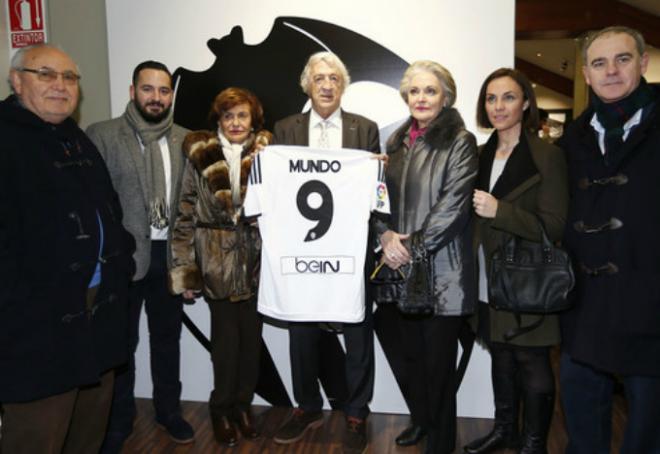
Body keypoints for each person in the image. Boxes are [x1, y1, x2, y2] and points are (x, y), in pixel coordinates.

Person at [0, 44, 135, 454]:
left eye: (70, 77)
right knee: (39, 434)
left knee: (87, 431)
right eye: (46, 74)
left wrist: (122, 258)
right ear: (16, 80)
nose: (60, 86)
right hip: (34, 326)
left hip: (97, 315)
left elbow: (108, 210)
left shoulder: (76, 139)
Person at [271, 51, 380, 454]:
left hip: (350, 249)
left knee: (357, 330)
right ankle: (307, 406)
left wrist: (377, 171)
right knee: (301, 330)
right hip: (301, 248)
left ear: (343, 85)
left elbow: (373, 192)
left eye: (334, 78)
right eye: (319, 78)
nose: (327, 85)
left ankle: (356, 412)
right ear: (307, 84)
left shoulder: (364, 129)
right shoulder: (284, 129)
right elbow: (279, 191)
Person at [559, 26, 660, 454]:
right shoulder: (572, 139)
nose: (611, 71)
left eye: (622, 59)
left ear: (643, 63)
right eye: (599, 63)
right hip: (586, 304)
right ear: (586, 74)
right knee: (582, 420)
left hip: (652, 302)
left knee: (648, 429)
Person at [86, 61, 193, 451]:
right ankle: (120, 417)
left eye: (164, 91)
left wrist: (188, 264)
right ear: (133, 92)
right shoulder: (102, 135)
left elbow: (191, 205)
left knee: (168, 341)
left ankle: (169, 412)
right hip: (123, 259)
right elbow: (94, 203)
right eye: (148, 89)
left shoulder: (185, 139)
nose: (156, 98)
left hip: (169, 257)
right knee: (121, 345)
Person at [374, 60, 478, 454]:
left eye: (430, 91)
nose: (421, 98)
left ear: (446, 96)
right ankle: (422, 419)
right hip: (399, 268)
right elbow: (379, 200)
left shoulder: (461, 141)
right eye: (414, 91)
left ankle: (441, 442)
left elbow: (453, 209)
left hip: (443, 273)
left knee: (438, 369)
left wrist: (409, 248)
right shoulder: (395, 143)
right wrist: (384, 236)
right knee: (410, 358)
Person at [464, 68, 568, 454]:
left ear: (525, 102)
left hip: (529, 277)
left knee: (532, 361)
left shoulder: (547, 156)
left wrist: (500, 210)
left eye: (508, 97)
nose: (498, 106)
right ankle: (505, 431)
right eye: (491, 98)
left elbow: (556, 226)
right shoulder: (479, 154)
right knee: (501, 355)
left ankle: (534, 442)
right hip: (487, 274)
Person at [168, 87, 271, 447]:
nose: (236, 122)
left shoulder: (268, 153)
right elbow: (183, 213)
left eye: (243, 115)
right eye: (229, 116)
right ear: (219, 121)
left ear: (253, 119)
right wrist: (186, 271)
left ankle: (243, 407)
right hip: (215, 262)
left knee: (251, 345)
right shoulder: (200, 154)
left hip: (256, 262)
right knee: (225, 346)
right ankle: (220, 409)